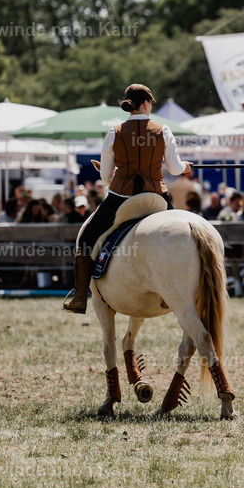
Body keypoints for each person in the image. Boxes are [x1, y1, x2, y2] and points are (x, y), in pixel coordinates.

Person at [64, 83, 191, 314]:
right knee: (182, 232)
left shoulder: (115, 132)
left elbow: (105, 174)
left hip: (121, 195)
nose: (151, 107)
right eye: (151, 104)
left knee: (87, 238)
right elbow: (174, 169)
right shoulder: (163, 130)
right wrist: (184, 167)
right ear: (145, 104)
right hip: (156, 194)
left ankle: (80, 296)